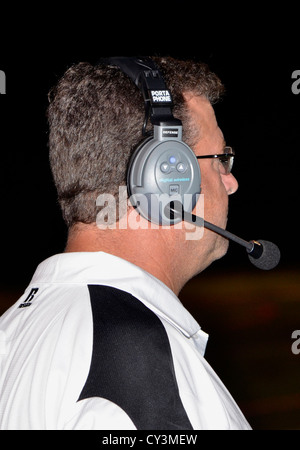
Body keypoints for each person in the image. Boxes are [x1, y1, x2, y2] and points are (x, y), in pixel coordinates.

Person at [0, 56, 251, 430]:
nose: (230, 183)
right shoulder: (134, 355)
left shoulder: (14, 330)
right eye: (220, 159)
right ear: (166, 182)